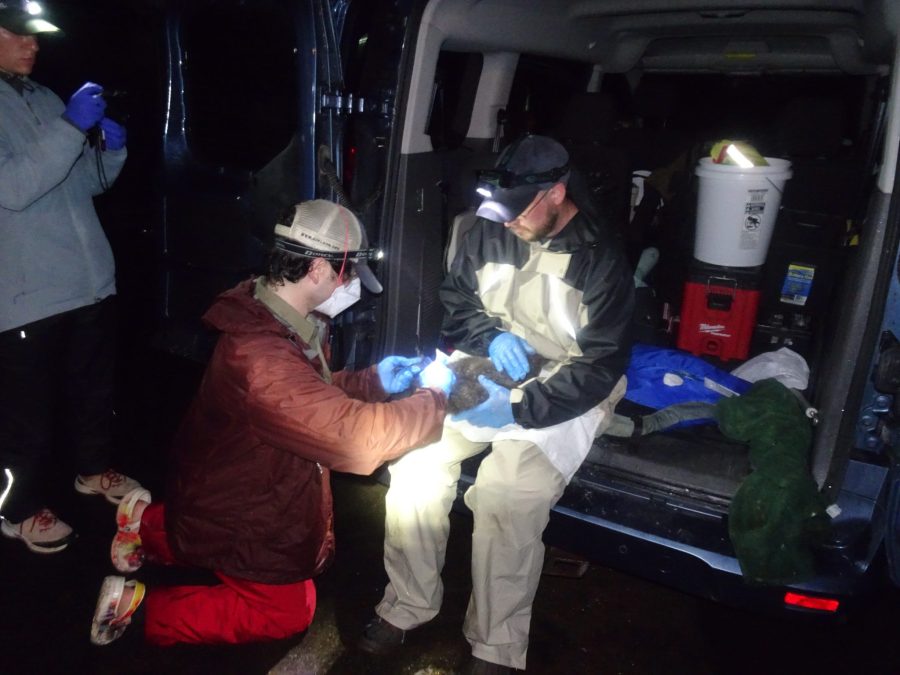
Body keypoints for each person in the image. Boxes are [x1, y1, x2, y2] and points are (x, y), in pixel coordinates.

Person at [89, 199, 455, 647]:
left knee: (203, 524)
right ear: (318, 269)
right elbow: (356, 441)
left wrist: (372, 381)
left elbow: (310, 395)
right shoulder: (263, 358)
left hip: (227, 481)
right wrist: (438, 396)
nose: (352, 285)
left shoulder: (276, 313)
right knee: (287, 611)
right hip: (245, 501)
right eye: (347, 274)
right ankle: (142, 610)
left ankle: (143, 524)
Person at [358, 135, 635, 674]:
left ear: (557, 193)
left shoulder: (601, 260)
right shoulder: (491, 230)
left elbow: (600, 364)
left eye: (519, 211)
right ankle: (407, 605)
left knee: (508, 494)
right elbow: (457, 301)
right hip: (492, 359)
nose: (505, 222)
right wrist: (489, 336)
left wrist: (519, 410)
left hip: (568, 378)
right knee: (414, 462)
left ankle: (496, 645)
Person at [0, 0, 139, 554]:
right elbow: (12, 188)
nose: (33, 45)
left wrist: (115, 148)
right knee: (25, 413)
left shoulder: (43, 97)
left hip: (87, 281)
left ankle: (90, 470)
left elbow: (85, 183)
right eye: (18, 35)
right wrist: (67, 129)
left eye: (36, 38)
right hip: (25, 292)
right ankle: (18, 508)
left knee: (91, 392)